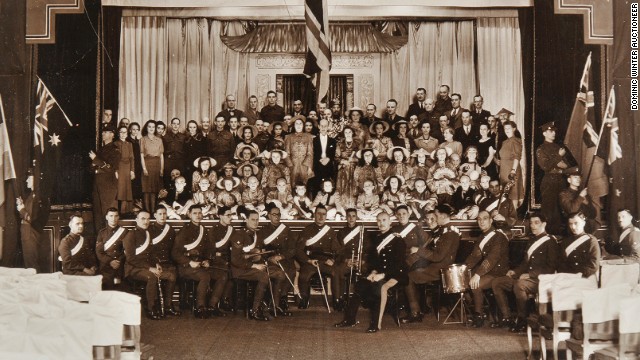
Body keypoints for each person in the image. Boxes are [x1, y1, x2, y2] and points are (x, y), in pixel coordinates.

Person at [335, 211, 407, 332]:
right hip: (379, 273)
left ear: (390, 222)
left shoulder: (397, 239)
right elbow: (374, 261)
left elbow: (399, 264)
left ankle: (376, 325)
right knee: (359, 285)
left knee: (380, 288)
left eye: (384, 220)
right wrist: (373, 272)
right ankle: (349, 319)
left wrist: (382, 275)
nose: (381, 223)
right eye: (378, 221)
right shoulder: (377, 239)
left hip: (396, 274)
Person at [491, 212, 559, 332]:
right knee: (497, 282)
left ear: (544, 224)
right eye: (531, 223)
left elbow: (551, 267)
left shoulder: (550, 241)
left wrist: (530, 275)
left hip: (541, 280)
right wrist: (515, 272)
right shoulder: (531, 240)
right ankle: (507, 317)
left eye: (536, 223)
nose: (533, 226)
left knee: (519, 285)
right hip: (526, 278)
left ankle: (522, 319)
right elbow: (524, 264)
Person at [403, 204, 461, 323]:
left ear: (443, 216)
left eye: (437, 215)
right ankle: (421, 308)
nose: (435, 217)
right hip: (436, 266)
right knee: (411, 270)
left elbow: (437, 256)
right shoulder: (444, 230)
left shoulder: (449, 232)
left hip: (441, 269)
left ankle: (415, 312)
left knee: (408, 277)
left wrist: (418, 250)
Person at [172, 205, 228, 318]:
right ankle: (200, 307)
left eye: (200, 213)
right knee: (205, 276)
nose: (198, 215)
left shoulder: (204, 230)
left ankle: (212, 305)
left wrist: (208, 261)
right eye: (195, 213)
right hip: (186, 267)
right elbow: (175, 253)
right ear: (189, 214)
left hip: (201, 265)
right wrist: (189, 262)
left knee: (222, 275)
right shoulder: (184, 231)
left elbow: (209, 250)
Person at [123, 210, 177, 319]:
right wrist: (150, 268)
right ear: (136, 220)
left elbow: (151, 254)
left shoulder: (148, 233)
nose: (146, 221)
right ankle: (151, 309)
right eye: (143, 218)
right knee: (151, 277)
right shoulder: (131, 235)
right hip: (133, 269)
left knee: (171, 276)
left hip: (147, 267)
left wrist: (156, 263)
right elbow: (130, 258)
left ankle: (167, 306)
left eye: (148, 219)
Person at [230, 211, 282, 320]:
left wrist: (267, 259)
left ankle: (273, 306)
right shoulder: (239, 235)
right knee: (264, 276)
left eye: (257, 219)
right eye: (253, 220)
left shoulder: (257, 235)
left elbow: (258, 255)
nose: (255, 222)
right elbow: (235, 259)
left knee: (279, 274)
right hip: (241, 270)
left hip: (254, 267)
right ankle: (255, 310)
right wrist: (254, 265)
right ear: (246, 220)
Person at [464, 210, 509, 328]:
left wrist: (477, 274)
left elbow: (492, 258)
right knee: (465, 280)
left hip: (498, 271)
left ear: (491, 220)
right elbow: (475, 256)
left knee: (476, 284)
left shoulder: (498, 236)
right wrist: (463, 268)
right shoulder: (482, 236)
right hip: (488, 270)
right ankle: (481, 312)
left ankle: (479, 315)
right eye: (479, 219)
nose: (481, 222)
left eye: (484, 218)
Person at [296, 205, 342, 309]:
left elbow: (337, 250)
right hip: (311, 261)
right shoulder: (307, 230)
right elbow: (298, 250)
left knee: (336, 271)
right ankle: (304, 298)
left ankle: (337, 300)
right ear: (314, 215)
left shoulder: (330, 231)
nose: (321, 216)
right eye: (318, 214)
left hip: (325, 262)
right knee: (303, 275)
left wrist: (332, 259)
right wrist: (308, 260)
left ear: (326, 216)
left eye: (323, 214)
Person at [258, 203, 296, 315]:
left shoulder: (286, 229)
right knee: (279, 273)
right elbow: (260, 249)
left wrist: (282, 256)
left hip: (284, 259)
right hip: (270, 260)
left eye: (278, 214)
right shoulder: (263, 231)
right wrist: (270, 258)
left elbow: (292, 248)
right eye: (274, 214)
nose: (277, 217)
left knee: (291, 270)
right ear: (269, 216)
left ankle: (282, 297)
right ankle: (275, 303)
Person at [535, 121, 570, 235]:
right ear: (544, 133)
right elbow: (546, 166)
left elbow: (565, 165)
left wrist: (556, 161)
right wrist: (558, 157)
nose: (553, 133)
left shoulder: (558, 147)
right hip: (549, 181)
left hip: (561, 180)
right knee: (550, 211)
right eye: (550, 131)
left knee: (563, 209)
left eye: (554, 131)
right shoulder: (541, 149)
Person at [16, 168, 49, 272]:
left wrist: (21, 210)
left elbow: (34, 219)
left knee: (32, 267)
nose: (26, 181)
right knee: (29, 266)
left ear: (36, 180)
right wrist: (22, 205)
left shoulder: (39, 197)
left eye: (29, 178)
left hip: (31, 235)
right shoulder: (31, 196)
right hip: (27, 234)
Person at [148, 207, 180, 316]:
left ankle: (168, 305)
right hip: (154, 263)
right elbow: (147, 250)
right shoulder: (149, 230)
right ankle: (157, 305)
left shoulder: (170, 230)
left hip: (168, 261)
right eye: (160, 214)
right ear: (155, 215)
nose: (162, 216)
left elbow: (174, 249)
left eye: (164, 214)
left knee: (173, 273)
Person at [91, 125, 121, 231]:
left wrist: (96, 160)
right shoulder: (101, 149)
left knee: (108, 214)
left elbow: (110, 169)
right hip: (98, 184)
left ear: (112, 135)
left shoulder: (115, 150)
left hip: (108, 186)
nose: (103, 134)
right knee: (98, 215)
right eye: (103, 132)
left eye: (106, 132)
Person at [333, 208, 364, 310]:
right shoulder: (341, 232)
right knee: (337, 270)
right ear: (346, 217)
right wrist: (346, 260)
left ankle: (365, 299)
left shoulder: (363, 231)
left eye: (353, 216)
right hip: (347, 261)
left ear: (356, 217)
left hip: (360, 262)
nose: (351, 218)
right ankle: (339, 300)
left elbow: (368, 249)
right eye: (349, 216)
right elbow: (338, 250)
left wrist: (361, 260)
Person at [558, 211, 601, 278]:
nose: (573, 227)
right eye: (570, 224)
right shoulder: (565, 242)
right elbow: (561, 264)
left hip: (585, 279)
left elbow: (593, 266)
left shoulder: (591, 241)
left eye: (576, 223)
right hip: (568, 279)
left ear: (583, 223)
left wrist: (579, 276)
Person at [559, 167, 599, 234]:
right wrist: (580, 197)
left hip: (587, 229)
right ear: (569, 180)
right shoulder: (564, 194)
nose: (578, 179)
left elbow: (593, 214)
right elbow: (571, 211)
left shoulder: (583, 193)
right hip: (572, 229)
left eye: (579, 177)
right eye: (575, 177)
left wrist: (587, 203)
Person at [95, 208, 127, 289]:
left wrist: (119, 261)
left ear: (118, 217)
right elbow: (99, 252)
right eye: (111, 216)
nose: (113, 219)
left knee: (122, 288)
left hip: (121, 265)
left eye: (116, 216)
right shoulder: (102, 233)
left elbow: (127, 250)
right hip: (106, 266)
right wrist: (110, 262)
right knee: (107, 287)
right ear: (106, 217)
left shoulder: (124, 231)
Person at [496, 120, 523, 212]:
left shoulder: (515, 140)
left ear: (514, 129)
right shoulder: (505, 142)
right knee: (506, 194)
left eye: (509, 128)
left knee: (513, 193)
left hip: (511, 170)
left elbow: (517, 157)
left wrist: (513, 170)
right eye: (505, 128)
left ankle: (513, 217)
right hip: (504, 171)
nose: (506, 130)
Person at [140, 120, 164, 213]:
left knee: (154, 190)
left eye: (153, 127)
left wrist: (161, 169)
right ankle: (147, 211)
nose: (151, 129)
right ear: (146, 127)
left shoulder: (159, 140)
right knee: (146, 190)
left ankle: (153, 211)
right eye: (149, 127)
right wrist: (144, 168)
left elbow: (161, 155)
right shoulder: (143, 139)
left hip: (156, 165)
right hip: (147, 163)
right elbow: (141, 155)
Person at [335, 126, 361, 208]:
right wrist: (343, 161)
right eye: (346, 132)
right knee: (343, 187)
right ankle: (343, 206)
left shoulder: (358, 143)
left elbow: (362, 157)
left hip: (355, 169)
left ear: (352, 133)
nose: (348, 134)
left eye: (349, 132)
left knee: (354, 187)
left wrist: (353, 159)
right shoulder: (339, 143)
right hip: (343, 169)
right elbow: (336, 157)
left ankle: (354, 206)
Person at [310, 119, 337, 197]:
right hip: (317, 166)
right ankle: (317, 205)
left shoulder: (333, 141)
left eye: (325, 126)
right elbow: (312, 153)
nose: (323, 128)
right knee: (317, 185)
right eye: (321, 126)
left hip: (328, 167)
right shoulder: (313, 140)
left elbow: (333, 154)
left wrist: (328, 159)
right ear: (318, 127)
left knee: (328, 185)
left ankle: (328, 202)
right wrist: (320, 159)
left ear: (328, 127)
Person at [285, 116, 314, 187]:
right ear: (294, 126)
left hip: (304, 165)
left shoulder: (308, 137)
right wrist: (290, 166)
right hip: (293, 165)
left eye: (300, 123)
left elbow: (310, 153)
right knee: (292, 185)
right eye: (296, 124)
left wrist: (309, 168)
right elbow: (287, 154)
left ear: (303, 125)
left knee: (305, 185)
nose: (298, 126)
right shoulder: (288, 137)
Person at [114, 125, 135, 214]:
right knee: (120, 190)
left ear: (127, 133)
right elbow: (114, 159)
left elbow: (132, 158)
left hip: (127, 168)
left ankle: (127, 211)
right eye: (121, 132)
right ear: (118, 133)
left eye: (125, 132)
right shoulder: (115, 144)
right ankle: (119, 211)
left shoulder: (129, 144)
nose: (123, 134)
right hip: (120, 167)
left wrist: (132, 170)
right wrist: (116, 171)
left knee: (127, 190)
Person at [162, 118, 185, 185]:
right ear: (171, 125)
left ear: (179, 125)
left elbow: (185, 150)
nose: (176, 125)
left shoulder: (183, 137)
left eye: (177, 124)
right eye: (174, 123)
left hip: (180, 161)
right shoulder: (165, 137)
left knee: (180, 179)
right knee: (168, 179)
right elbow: (163, 151)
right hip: (169, 161)